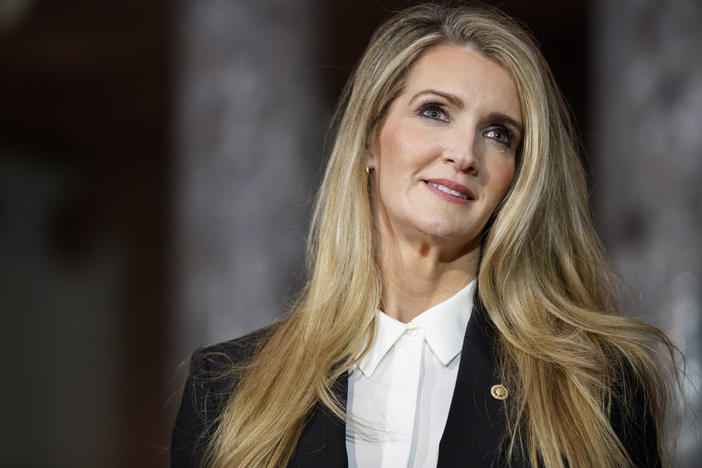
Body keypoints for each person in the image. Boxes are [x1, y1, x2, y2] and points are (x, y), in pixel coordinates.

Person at [171, 3, 679, 467]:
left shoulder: (592, 386)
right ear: (370, 138)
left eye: (498, 133)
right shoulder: (227, 387)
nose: (464, 153)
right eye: (435, 111)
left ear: (519, 177)